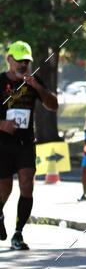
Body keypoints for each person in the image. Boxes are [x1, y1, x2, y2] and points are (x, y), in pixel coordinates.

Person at [0, 40, 58, 249]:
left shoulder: (34, 82)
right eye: (19, 61)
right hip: (2, 143)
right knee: (4, 189)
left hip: (25, 143)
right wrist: (2, 124)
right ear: (9, 59)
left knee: (27, 183)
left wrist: (37, 88)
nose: (23, 65)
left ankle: (18, 233)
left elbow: (53, 105)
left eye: (26, 61)